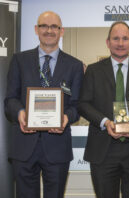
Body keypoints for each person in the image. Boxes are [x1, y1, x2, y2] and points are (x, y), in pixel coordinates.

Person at [78, 21, 129, 198]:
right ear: (108, 42)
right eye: (115, 38)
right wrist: (105, 122)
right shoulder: (93, 71)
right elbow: (83, 104)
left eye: (125, 38)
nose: (120, 43)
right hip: (103, 149)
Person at [4, 11, 84, 198]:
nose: (49, 30)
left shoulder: (74, 65)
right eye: (44, 26)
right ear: (36, 29)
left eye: (54, 26)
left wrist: (65, 118)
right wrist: (20, 113)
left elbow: (77, 105)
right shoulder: (19, 60)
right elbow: (10, 100)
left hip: (57, 147)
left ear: (61, 31)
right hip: (24, 147)